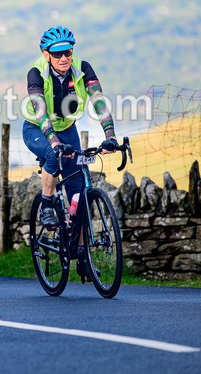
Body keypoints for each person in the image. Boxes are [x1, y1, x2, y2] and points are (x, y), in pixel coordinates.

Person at [21, 26, 117, 276]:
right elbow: (39, 110)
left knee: (81, 194)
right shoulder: (36, 72)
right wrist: (52, 140)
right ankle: (46, 204)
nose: (64, 57)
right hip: (36, 130)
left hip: (68, 129)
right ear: (46, 54)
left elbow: (99, 101)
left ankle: (83, 253)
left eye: (68, 52)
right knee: (53, 155)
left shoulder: (82, 69)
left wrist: (110, 135)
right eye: (58, 53)